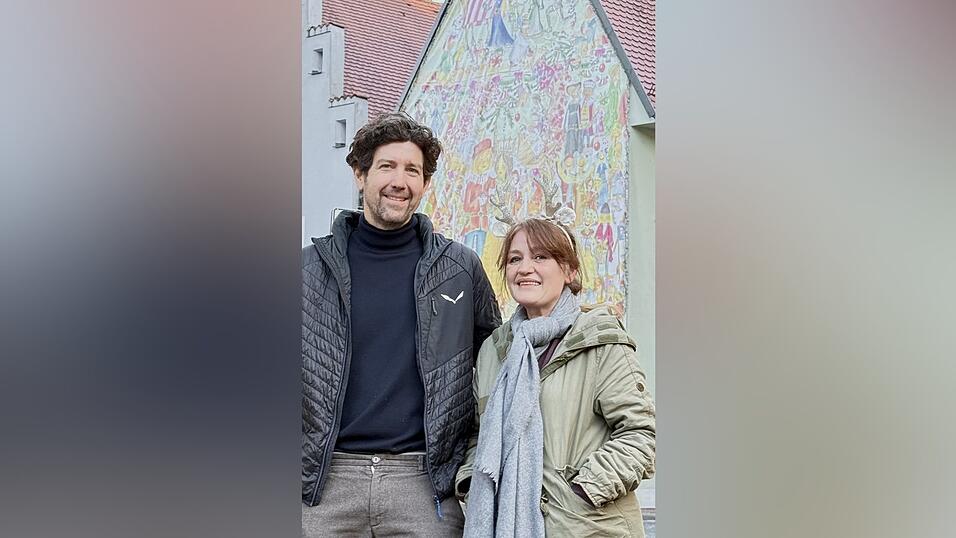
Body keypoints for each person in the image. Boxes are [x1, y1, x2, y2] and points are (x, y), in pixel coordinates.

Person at [301, 113, 501, 537]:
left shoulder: (460, 269)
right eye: (387, 166)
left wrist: (466, 462)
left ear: (425, 183)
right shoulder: (307, 270)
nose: (399, 180)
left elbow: (495, 367)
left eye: (412, 170)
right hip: (324, 486)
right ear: (360, 175)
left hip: (425, 485)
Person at [457, 217, 656, 537]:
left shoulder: (600, 341)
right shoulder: (495, 350)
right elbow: (478, 434)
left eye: (540, 257)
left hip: (587, 528)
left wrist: (584, 490)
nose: (525, 268)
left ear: (570, 271)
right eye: (515, 259)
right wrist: (473, 481)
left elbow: (641, 433)